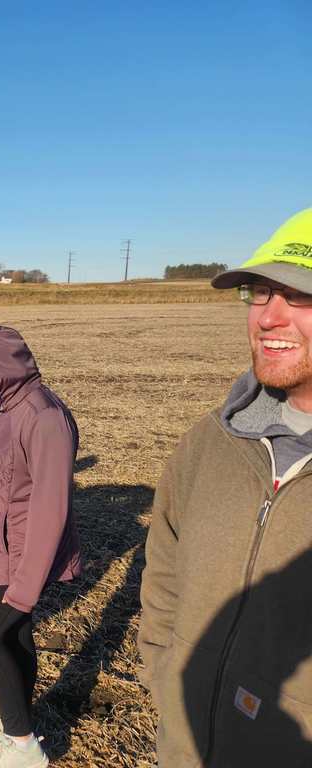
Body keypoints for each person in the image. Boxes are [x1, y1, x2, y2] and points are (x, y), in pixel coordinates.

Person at [139, 208, 312, 766]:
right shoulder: (211, 443)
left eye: (301, 295)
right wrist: (164, 668)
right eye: (260, 292)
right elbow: (164, 563)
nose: (269, 316)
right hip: (186, 746)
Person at [0, 325, 80, 768]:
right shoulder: (0, 407)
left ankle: (24, 748)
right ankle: (15, 728)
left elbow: (50, 509)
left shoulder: (43, 418)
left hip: (19, 557)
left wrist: (26, 585)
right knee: (13, 635)